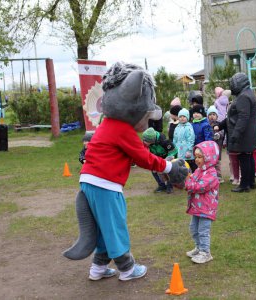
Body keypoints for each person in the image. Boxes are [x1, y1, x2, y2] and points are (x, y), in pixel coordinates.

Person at [62, 62, 189, 281]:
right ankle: (127, 268)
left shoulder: (107, 124)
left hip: (89, 182)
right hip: (105, 184)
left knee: (102, 227)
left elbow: (133, 157)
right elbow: (142, 157)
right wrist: (168, 166)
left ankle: (98, 268)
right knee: (114, 225)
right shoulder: (122, 129)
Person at [216, 72, 256, 193]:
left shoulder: (243, 97)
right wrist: (220, 125)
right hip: (248, 132)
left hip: (244, 134)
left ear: (239, 83)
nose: (232, 86)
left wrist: (236, 134)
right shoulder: (246, 94)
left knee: (244, 158)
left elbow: (243, 118)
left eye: (233, 83)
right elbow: (234, 117)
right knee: (248, 157)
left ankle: (245, 185)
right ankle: (250, 182)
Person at [185, 141, 220, 264]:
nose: (197, 160)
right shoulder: (199, 170)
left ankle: (206, 253)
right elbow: (191, 181)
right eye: (196, 157)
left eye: (200, 157)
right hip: (197, 207)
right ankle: (199, 248)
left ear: (209, 158)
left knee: (203, 231)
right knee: (193, 229)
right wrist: (186, 177)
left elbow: (200, 187)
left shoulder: (212, 173)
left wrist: (188, 182)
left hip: (206, 208)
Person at [142, 127, 178, 194]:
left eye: (146, 141)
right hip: (157, 157)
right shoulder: (147, 142)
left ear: (152, 140)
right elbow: (144, 151)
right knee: (153, 169)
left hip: (167, 157)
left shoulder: (164, 141)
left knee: (166, 171)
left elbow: (174, 150)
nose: (144, 142)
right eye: (143, 140)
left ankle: (169, 186)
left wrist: (167, 160)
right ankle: (161, 185)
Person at [174, 108, 196, 172]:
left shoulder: (189, 127)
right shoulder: (177, 127)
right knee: (181, 164)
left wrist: (189, 150)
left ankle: (195, 176)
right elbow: (175, 138)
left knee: (190, 165)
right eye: (180, 117)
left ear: (187, 117)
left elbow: (191, 139)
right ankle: (184, 178)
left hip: (186, 150)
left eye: (184, 116)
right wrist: (174, 148)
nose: (182, 118)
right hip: (179, 150)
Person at [207, 105, 225, 182]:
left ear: (217, 116)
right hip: (209, 147)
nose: (212, 116)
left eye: (214, 114)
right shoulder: (207, 125)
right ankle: (210, 176)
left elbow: (222, 133)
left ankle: (219, 176)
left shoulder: (219, 124)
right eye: (210, 114)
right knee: (209, 162)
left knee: (217, 162)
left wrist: (219, 134)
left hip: (217, 146)